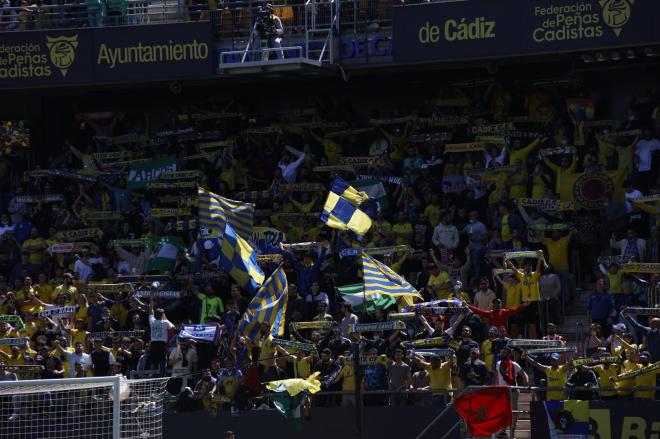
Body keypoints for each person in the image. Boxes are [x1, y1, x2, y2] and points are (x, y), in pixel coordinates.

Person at [148, 300, 174, 377]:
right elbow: (173, 328)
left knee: (154, 364)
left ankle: (153, 381)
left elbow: (150, 312)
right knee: (163, 364)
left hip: (153, 344)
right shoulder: (165, 322)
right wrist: (165, 319)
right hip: (162, 344)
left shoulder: (152, 321)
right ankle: (162, 380)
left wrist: (151, 304)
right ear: (162, 315)